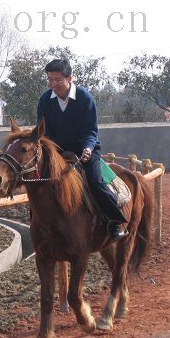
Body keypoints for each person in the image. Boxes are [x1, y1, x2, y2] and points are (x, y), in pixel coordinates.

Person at [36, 59, 128, 240]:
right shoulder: (45, 101)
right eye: (49, 79)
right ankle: (38, 224)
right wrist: (52, 153)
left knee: (95, 182)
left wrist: (87, 148)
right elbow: (43, 132)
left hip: (85, 151)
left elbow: (90, 131)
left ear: (69, 78)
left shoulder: (85, 98)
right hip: (56, 152)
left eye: (57, 79)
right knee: (39, 183)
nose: (52, 84)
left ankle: (115, 222)